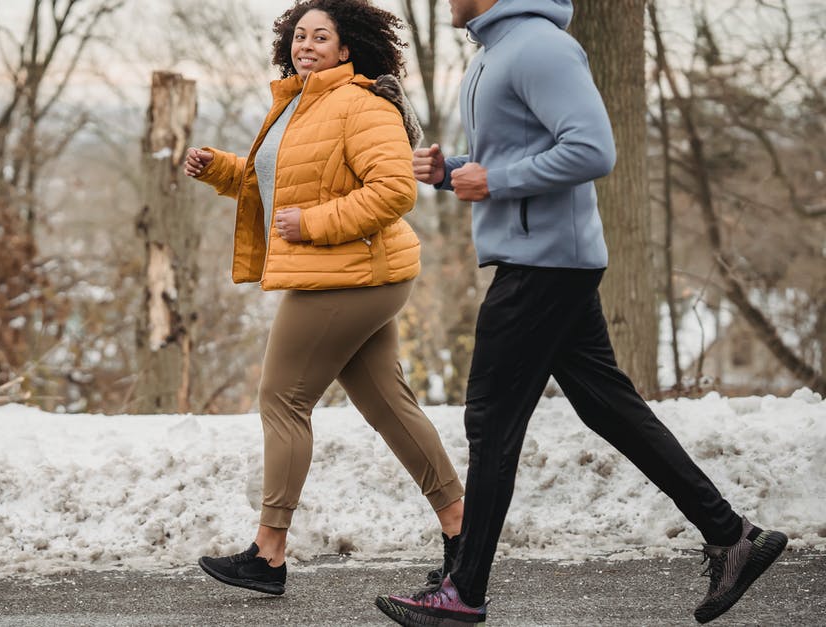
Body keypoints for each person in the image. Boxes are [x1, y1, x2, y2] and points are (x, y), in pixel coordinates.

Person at [374, 0, 788, 625]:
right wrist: (452, 171)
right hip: (541, 258)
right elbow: (514, 159)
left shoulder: (540, 46)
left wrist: (495, 181)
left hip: (544, 264)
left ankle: (463, 592)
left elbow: (593, 150)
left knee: (490, 420)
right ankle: (734, 537)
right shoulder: (494, 52)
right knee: (607, 406)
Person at [184, 0, 466, 597]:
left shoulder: (362, 104)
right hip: (354, 273)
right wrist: (219, 169)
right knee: (387, 404)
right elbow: (278, 184)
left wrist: (310, 225)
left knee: (282, 398)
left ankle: (268, 554)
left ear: (347, 48)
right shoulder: (297, 102)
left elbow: (393, 192)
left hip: (351, 274)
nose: (305, 44)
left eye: (321, 36)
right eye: (298, 34)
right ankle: (461, 529)